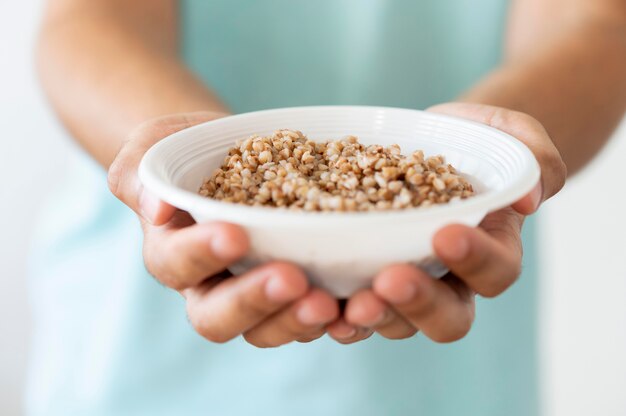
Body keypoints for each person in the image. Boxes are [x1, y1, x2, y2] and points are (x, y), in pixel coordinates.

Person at [32, 0, 625, 414]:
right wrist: (175, 158)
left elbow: (598, 23)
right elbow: (86, 16)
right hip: (138, 349)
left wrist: (491, 153)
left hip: (445, 365)